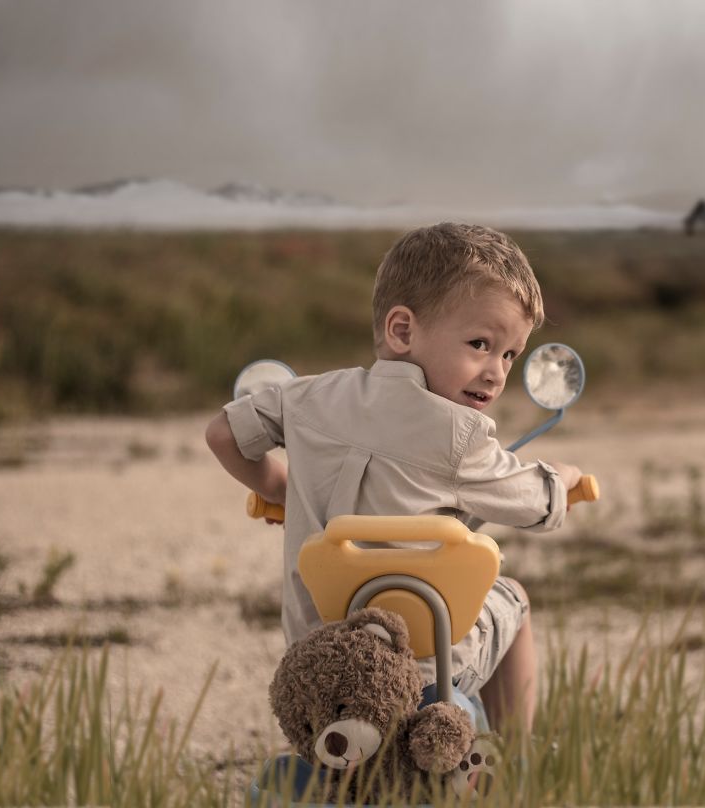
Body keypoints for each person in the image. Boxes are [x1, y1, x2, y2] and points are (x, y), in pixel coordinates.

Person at [206, 222, 583, 734]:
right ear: (401, 330)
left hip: (315, 665)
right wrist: (564, 476)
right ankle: (518, 762)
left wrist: (278, 487)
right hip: (419, 673)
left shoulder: (308, 397)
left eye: (510, 354)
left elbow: (223, 434)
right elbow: (540, 504)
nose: (497, 371)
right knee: (512, 595)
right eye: (480, 344)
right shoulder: (463, 440)